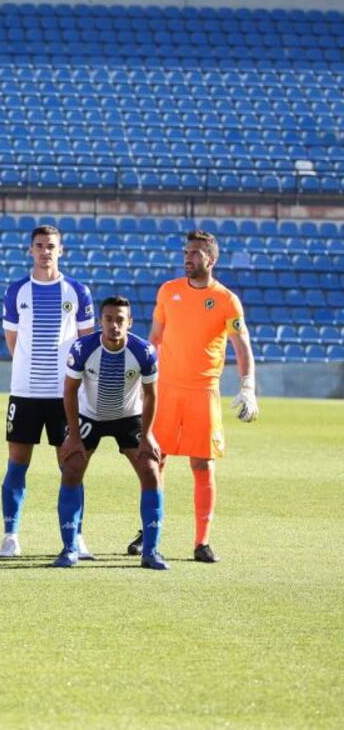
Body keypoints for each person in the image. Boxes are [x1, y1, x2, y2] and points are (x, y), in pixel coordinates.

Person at [137, 230, 258, 563]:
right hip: (166, 390)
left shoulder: (226, 300)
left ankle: (202, 542)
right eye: (186, 252)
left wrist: (248, 386)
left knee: (202, 464)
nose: (188, 257)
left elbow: (241, 345)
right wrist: (142, 380)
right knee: (154, 459)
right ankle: (149, 530)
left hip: (203, 392)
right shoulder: (168, 290)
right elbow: (155, 338)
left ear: (211, 259)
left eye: (196, 253)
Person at [0, 224, 96, 558]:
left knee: (71, 466)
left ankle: (76, 536)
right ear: (30, 250)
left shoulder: (77, 292)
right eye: (39, 245)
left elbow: (86, 343)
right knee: (17, 464)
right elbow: (13, 342)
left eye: (51, 246)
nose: (45, 251)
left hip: (64, 395)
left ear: (61, 250)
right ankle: (10, 536)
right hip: (25, 393)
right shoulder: (16, 291)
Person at [54, 296, 168, 570]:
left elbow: (151, 395)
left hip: (128, 417)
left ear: (130, 322)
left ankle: (151, 551)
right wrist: (73, 436)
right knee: (71, 470)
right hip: (90, 416)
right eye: (108, 319)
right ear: (100, 321)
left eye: (120, 320)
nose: (114, 325)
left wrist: (147, 435)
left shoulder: (144, 351)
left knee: (151, 472)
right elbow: (69, 391)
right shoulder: (83, 348)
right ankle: (69, 549)